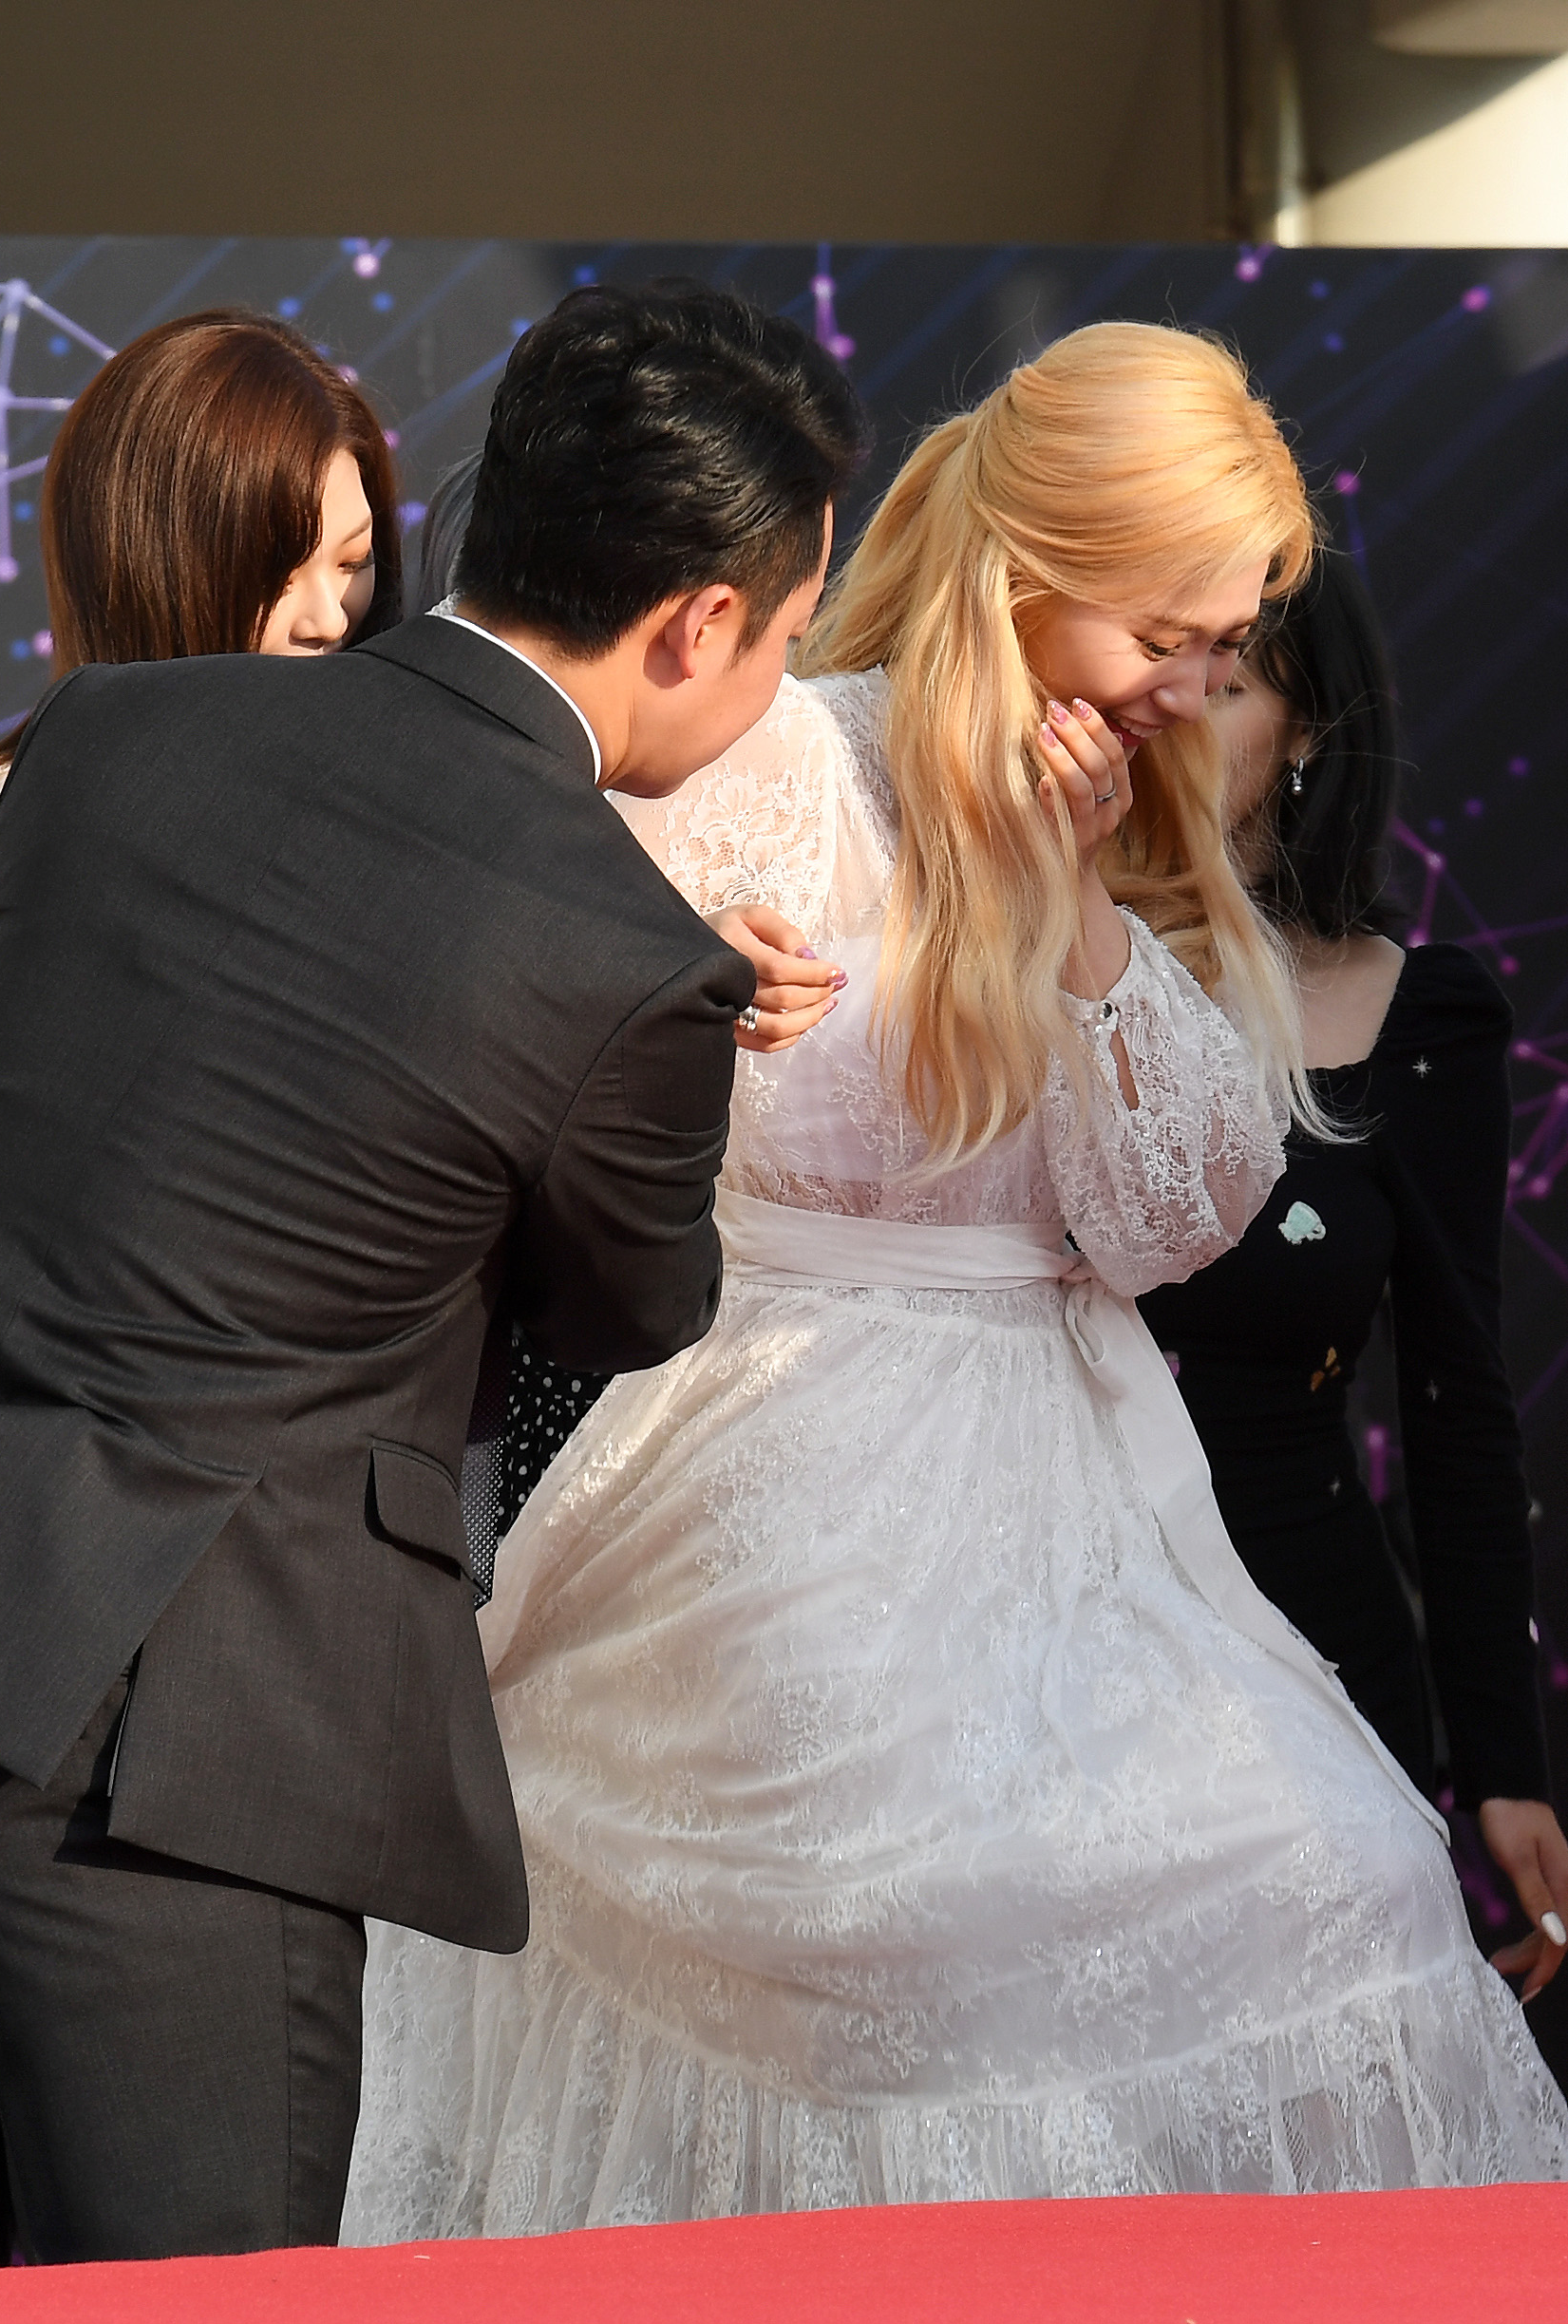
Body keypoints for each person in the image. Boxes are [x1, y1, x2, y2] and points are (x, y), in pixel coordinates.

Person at [343, 323, 1568, 2241]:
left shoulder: (1130, 821)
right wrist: (692, 986)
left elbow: (1174, 1222)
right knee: (888, 1929)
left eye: (1221, 646)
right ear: (1035, 570)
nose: (1192, 686)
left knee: (1338, 1871)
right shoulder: (769, 755)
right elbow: (511, 1071)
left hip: (1071, 1505)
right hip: (772, 1467)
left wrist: (1070, 889)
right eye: (1165, 632)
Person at [0, 280, 867, 2263]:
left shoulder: (107, 733)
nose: (779, 677)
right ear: (699, 622)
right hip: (177, 1750)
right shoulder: (625, 955)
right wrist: (657, 1041)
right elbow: (633, 1305)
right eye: (791, 636)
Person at [0, 305, 403, 2271]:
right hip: (108, 1704)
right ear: (160, 550)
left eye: (355, 567)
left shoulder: (374, 848)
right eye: (284, 559)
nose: (323, 614)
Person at [1139, 547, 1568, 2003]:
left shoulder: (1413, 1013)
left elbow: (1456, 1403)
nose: (1172, 707)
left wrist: (1501, 1760)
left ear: (1306, 728)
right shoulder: (1003, 970)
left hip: (1308, 1662)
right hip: (1036, 1642)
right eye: (1152, 659)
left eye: (1227, 680)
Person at [0, 309, 403, 1044]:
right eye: (274, 575)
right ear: (151, 572)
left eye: (353, 561)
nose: (327, 618)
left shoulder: (406, 808)